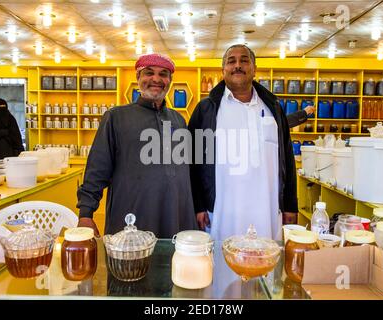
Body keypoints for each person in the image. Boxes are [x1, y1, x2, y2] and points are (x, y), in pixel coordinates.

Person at [77, 53, 198, 238]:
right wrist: (86, 214)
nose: (156, 79)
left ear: (170, 80)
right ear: (138, 78)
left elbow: (186, 171)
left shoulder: (178, 120)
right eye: (149, 73)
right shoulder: (116, 118)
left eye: (163, 74)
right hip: (131, 215)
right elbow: (97, 168)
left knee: (172, 264)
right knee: (131, 264)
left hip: (176, 215)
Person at [188, 44, 298, 241]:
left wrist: (290, 204)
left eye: (244, 60)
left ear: (254, 69)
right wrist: (197, 205)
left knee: (266, 265)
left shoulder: (273, 108)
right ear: (223, 71)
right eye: (231, 61)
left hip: (267, 211)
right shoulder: (206, 109)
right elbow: (192, 161)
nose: (237, 65)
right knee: (221, 266)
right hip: (221, 213)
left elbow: (287, 159)